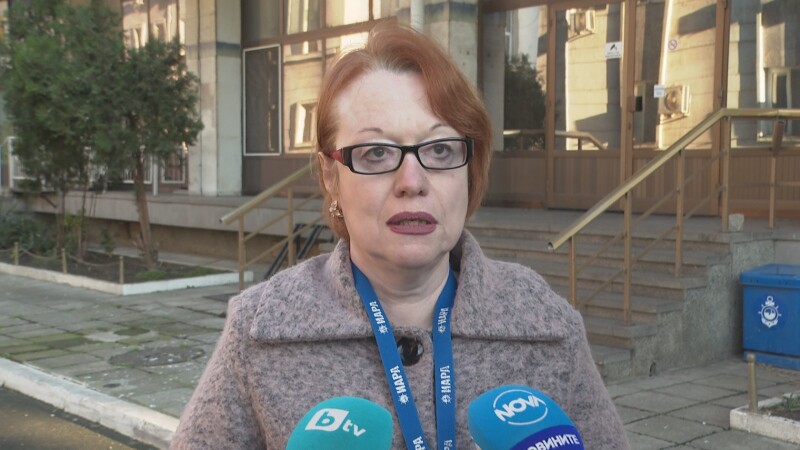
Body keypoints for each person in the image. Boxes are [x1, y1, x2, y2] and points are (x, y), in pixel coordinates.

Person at [171, 22, 629, 449]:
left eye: (441, 149)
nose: (412, 181)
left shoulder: (546, 324)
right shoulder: (260, 330)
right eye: (376, 153)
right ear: (330, 176)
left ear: (470, 169)